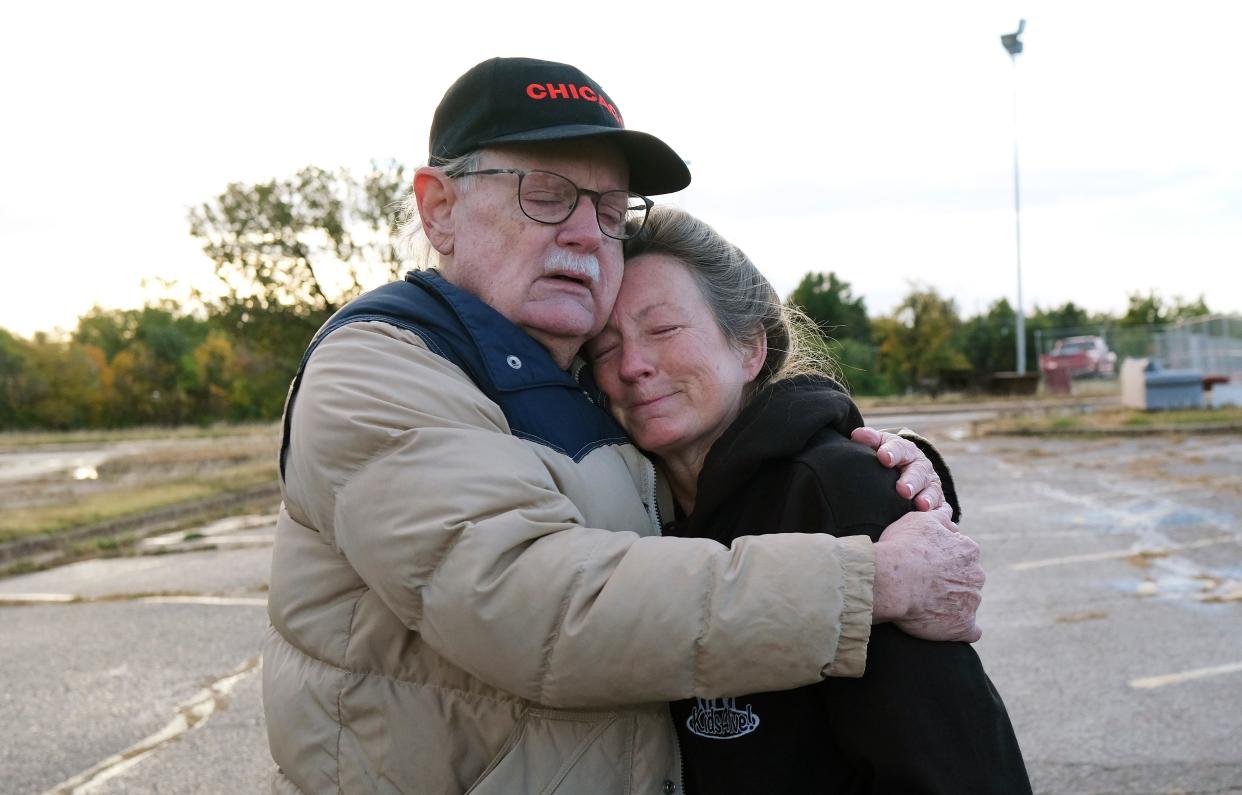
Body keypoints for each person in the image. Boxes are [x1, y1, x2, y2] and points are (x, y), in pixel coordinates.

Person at [263, 56, 985, 794]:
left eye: (610, 212)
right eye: (547, 195)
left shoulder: (574, 380)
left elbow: (715, 470)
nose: (586, 233)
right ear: (438, 206)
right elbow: (535, 604)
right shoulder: (380, 367)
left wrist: (881, 467)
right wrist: (869, 579)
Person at [586, 205, 1030, 793]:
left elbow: (954, 767)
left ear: (749, 348)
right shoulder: (629, 513)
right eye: (604, 347)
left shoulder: (841, 490)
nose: (632, 366)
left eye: (663, 329)